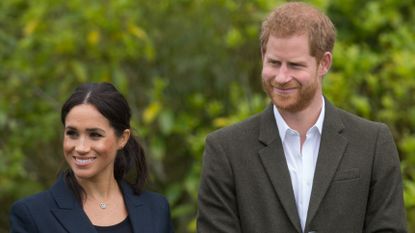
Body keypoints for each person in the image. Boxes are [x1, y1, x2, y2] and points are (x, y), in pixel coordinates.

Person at [197, 2, 406, 233]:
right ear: (262, 56)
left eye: (295, 65)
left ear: (324, 64)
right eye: (274, 63)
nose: (282, 77)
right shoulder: (225, 149)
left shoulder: (372, 143)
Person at [10, 82, 173, 233]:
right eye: (72, 133)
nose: (81, 147)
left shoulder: (156, 209)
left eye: (95, 135)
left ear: (122, 138)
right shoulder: (32, 214)